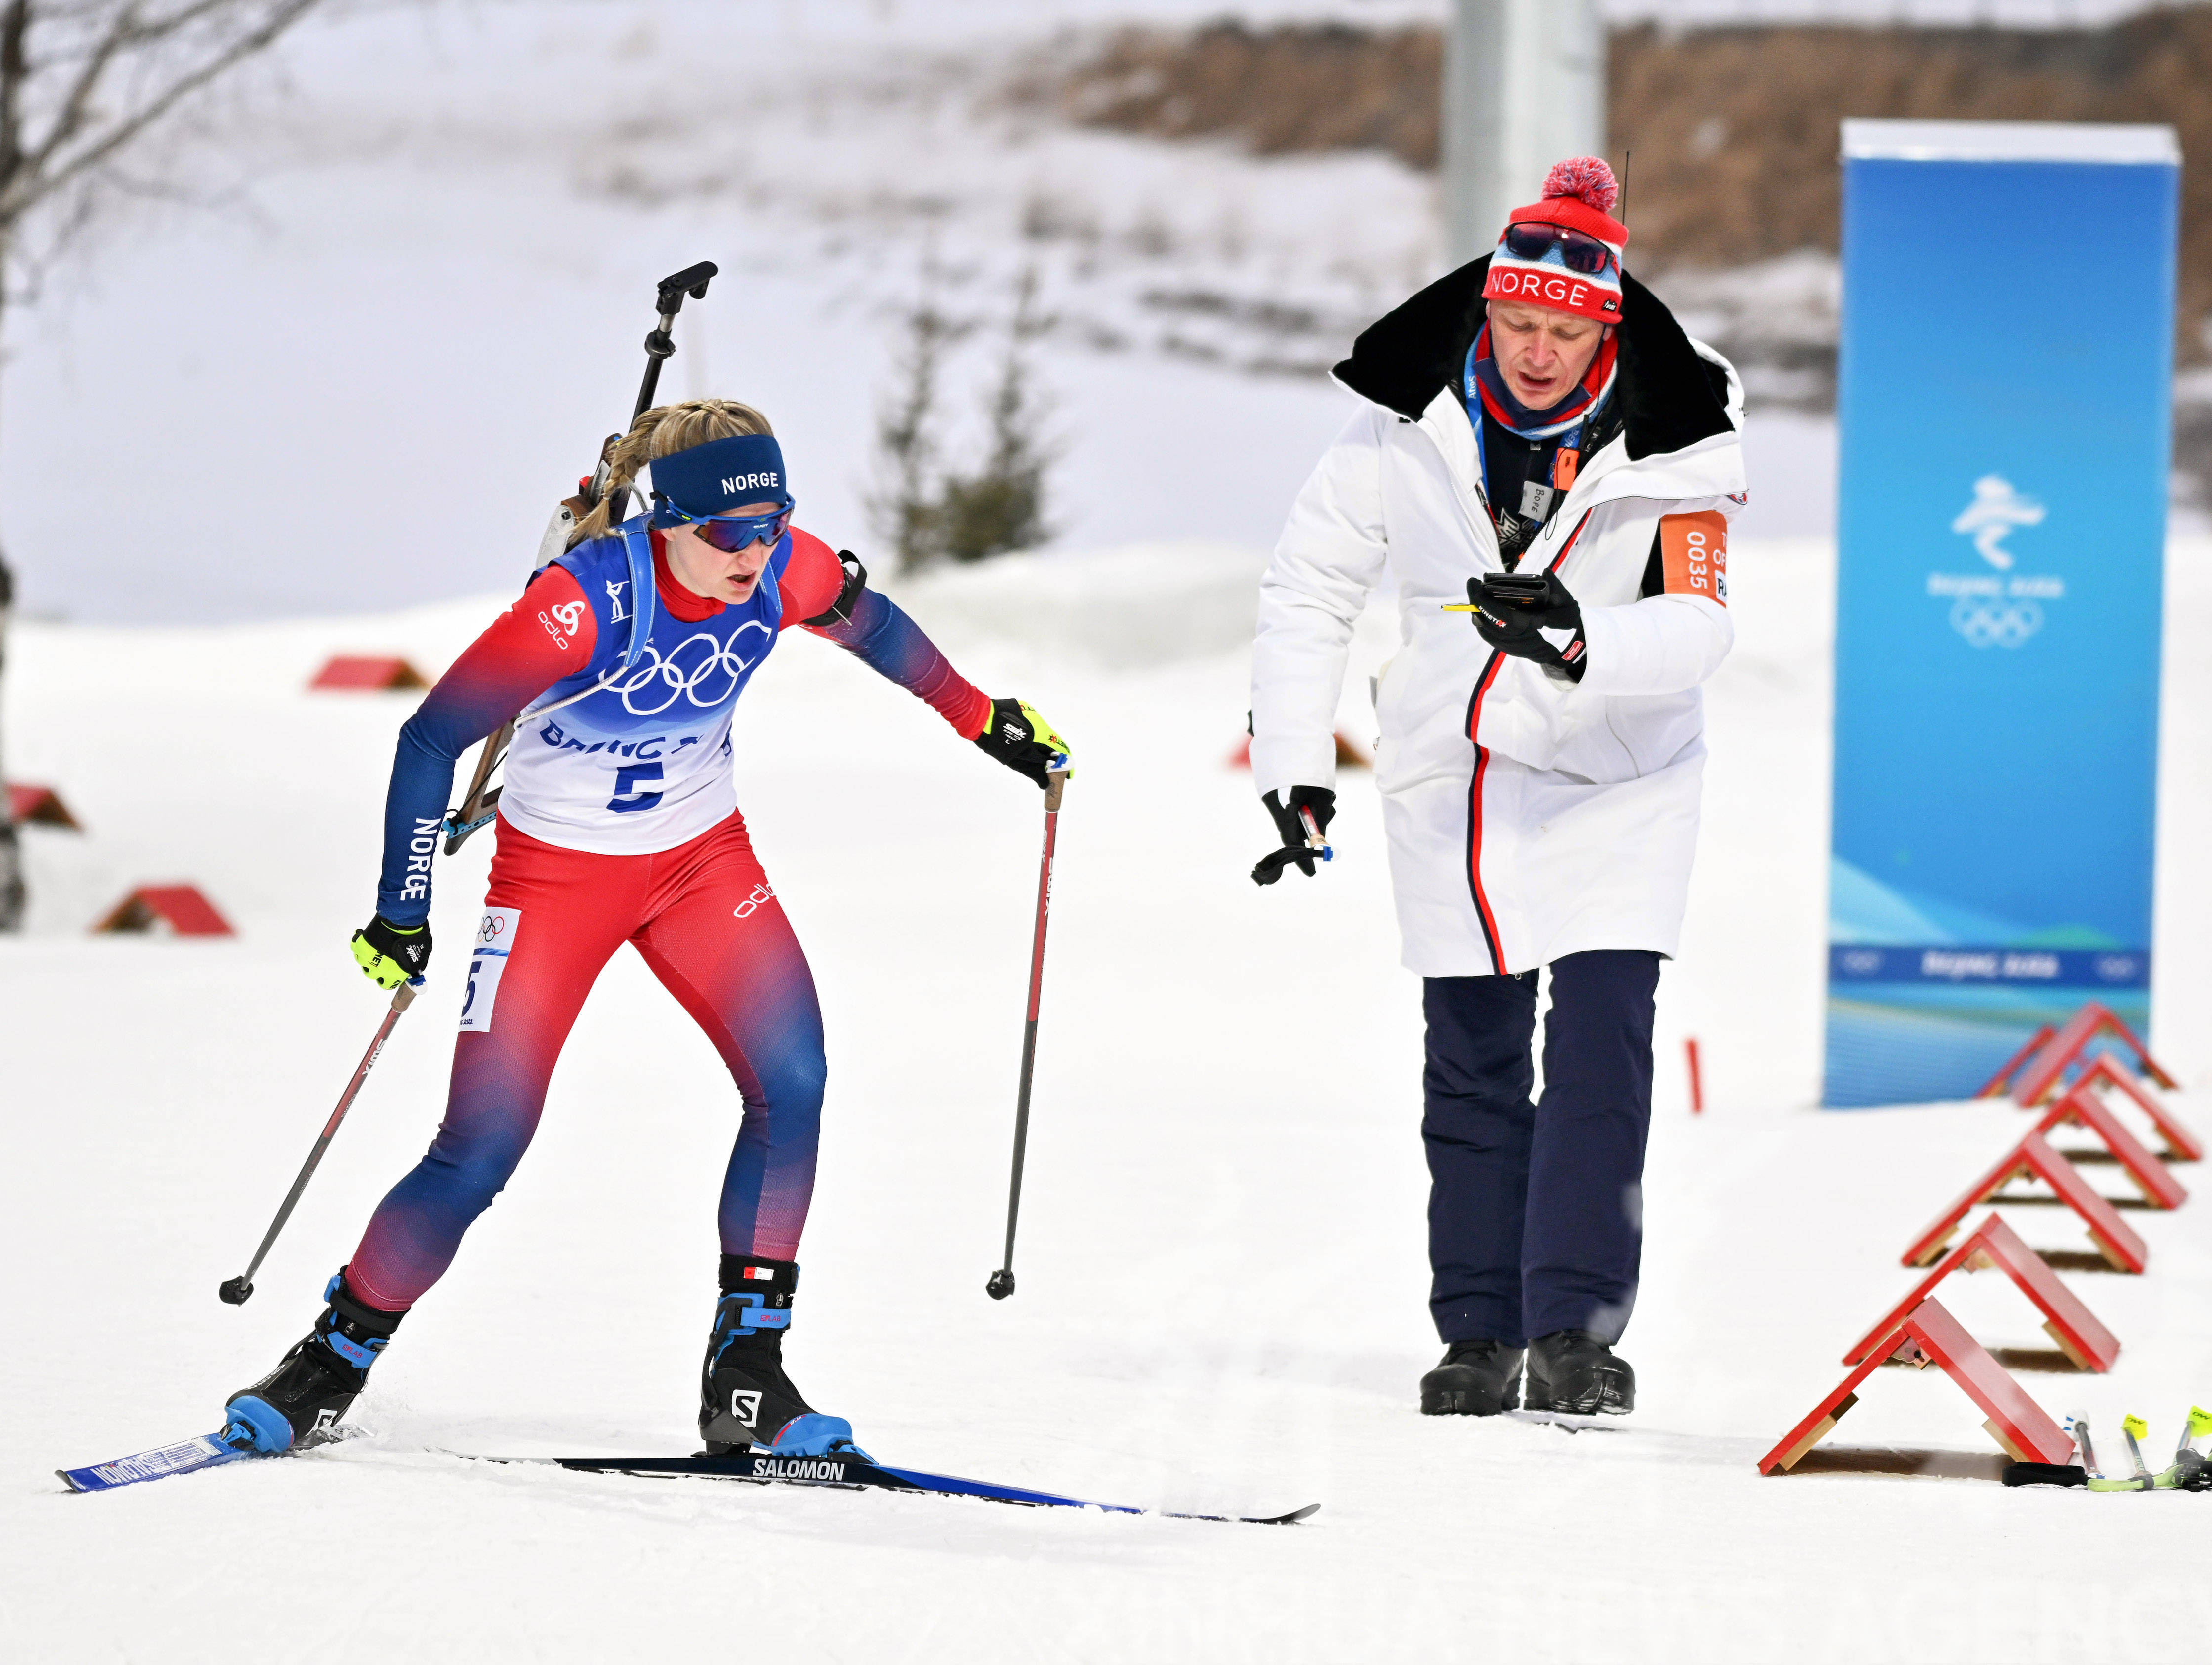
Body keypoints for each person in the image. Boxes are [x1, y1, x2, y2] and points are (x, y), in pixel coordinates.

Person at [220, 400, 1070, 1459]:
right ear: (667, 520)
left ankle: (746, 1377)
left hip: (701, 863)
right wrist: (402, 907)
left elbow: (878, 627)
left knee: (793, 1082)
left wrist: (983, 718)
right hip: (554, 883)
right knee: (482, 1144)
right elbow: (430, 739)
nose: (755, 554)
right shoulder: (580, 606)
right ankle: (327, 1363)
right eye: (729, 532)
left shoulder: (784, 567)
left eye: (773, 524)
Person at [1247, 158, 1745, 1418]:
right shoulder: (1403, 418)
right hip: (1455, 772)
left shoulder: (1679, 437)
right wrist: (1294, 760)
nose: (1534, 352)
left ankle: (1574, 1329)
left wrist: (1579, 640)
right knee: (1469, 1059)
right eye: (1515, 322)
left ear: (1604, 328)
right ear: (1488, 309)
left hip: (1620, 778)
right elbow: (1309, 586)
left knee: (1597, 1053)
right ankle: (1476, 1330)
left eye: (1562, 332)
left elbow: (1699, 624)